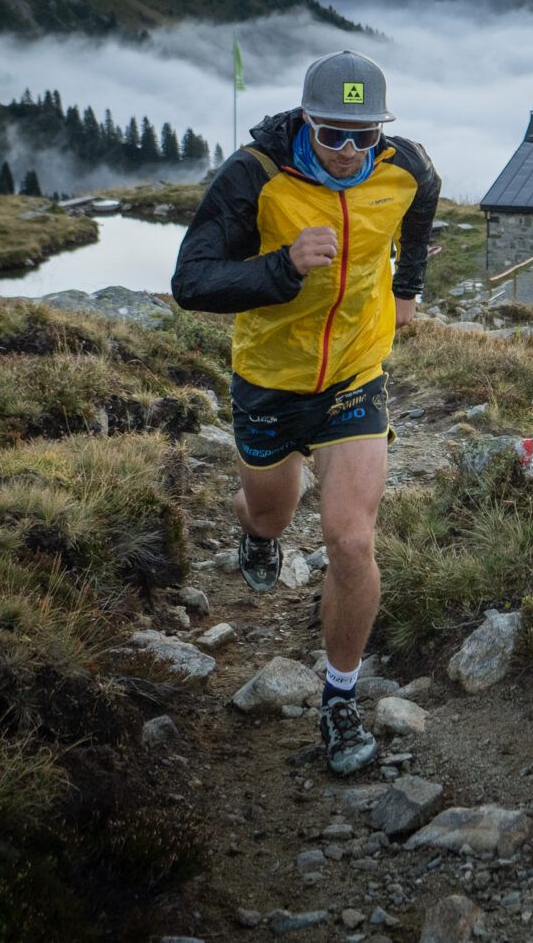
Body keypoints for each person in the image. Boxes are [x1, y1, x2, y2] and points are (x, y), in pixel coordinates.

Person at [172, 49, 439, 775]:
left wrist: (408, 287)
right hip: (269, 378)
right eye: (332, 134)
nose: (350, 151)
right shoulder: (255, 175)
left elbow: (422, 204)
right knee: (272, 512)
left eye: (364, 135)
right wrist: (282, 266)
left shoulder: (404, 166)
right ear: (304, 121)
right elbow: (190, 281)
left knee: (351, 541)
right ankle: (255, 535)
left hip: (355, 373)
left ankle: (339, 698)